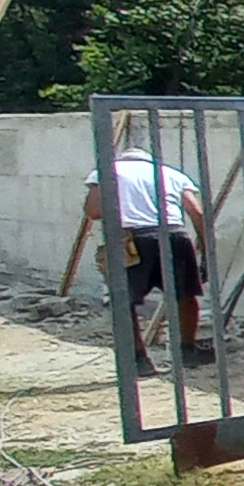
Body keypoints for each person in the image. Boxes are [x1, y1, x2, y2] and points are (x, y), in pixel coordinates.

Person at [84, 145, 214, 369]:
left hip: (133, 239)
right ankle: (187, 350)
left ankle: (138, 359)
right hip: (174, 235)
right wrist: (204, 244)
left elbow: (93, 211)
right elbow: (197, 212)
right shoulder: (171, 173)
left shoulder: (107, 170)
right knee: (185, 295)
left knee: (124, 301)